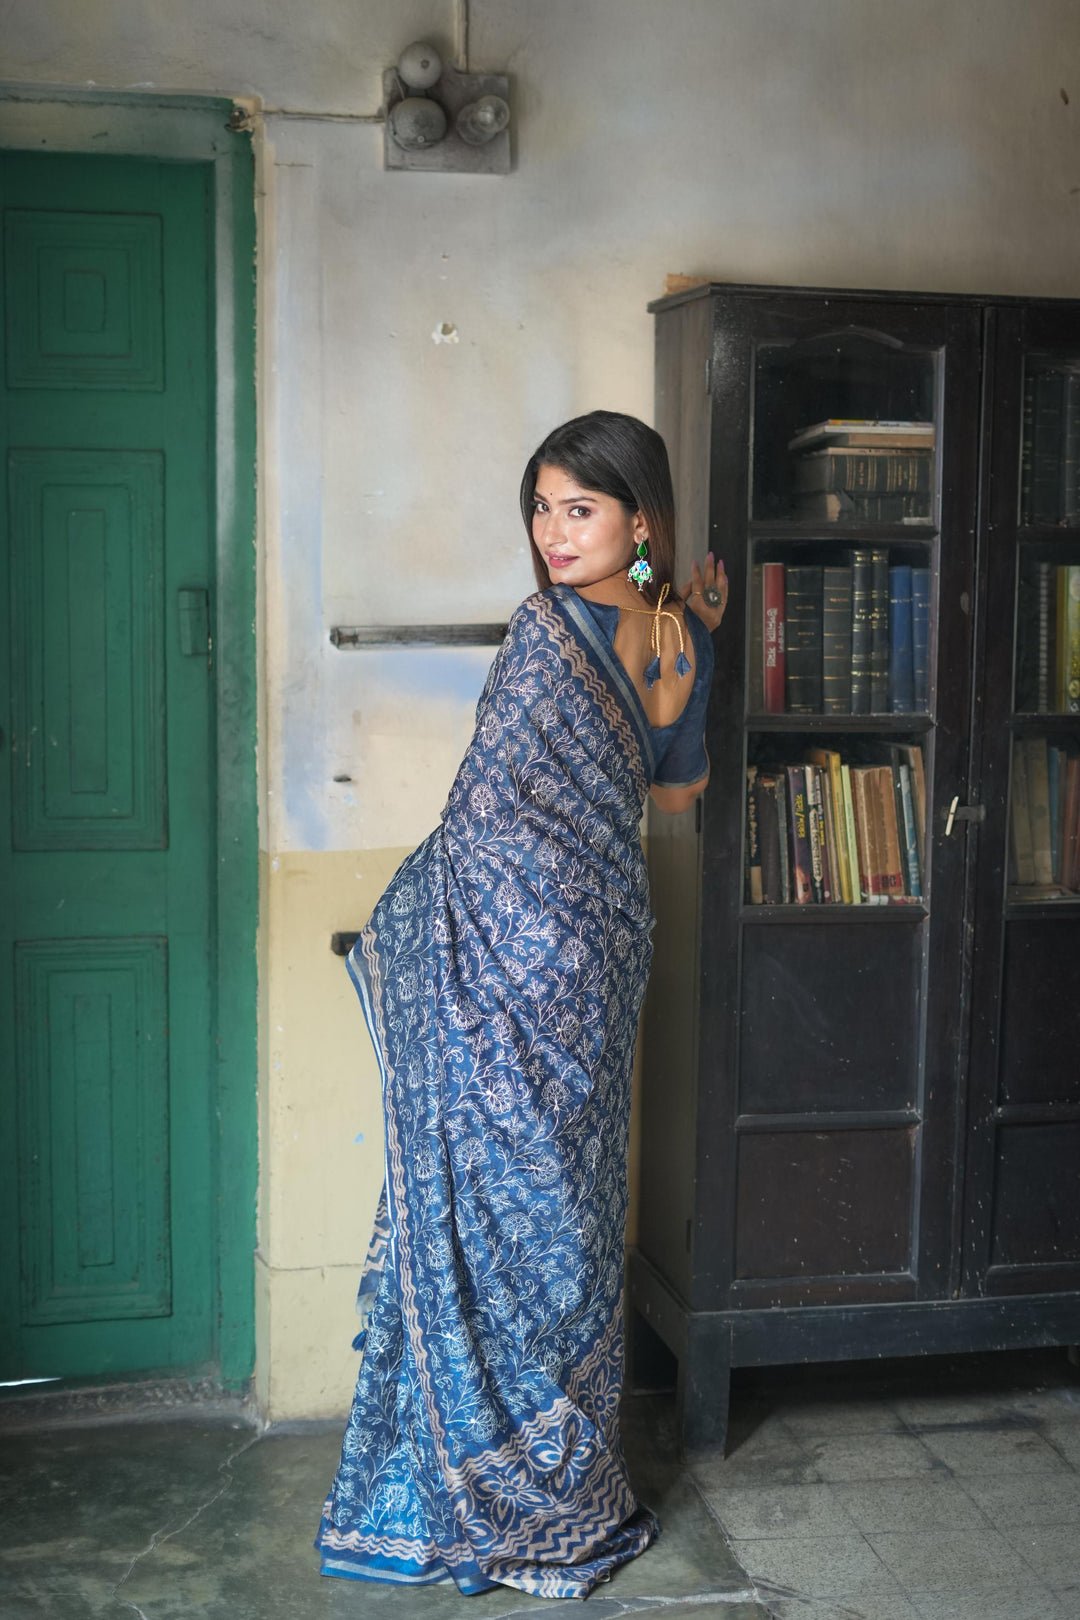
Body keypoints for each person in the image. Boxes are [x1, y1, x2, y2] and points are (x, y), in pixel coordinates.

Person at [314, 410, 727, 1598]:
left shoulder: (549, 631)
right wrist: (688, 616)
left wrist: (425, 912)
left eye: (580, 509)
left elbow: (490, 819)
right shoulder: (681, 643)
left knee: (499, 1215)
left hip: (508, 970)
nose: (553, 532)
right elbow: (681, 792)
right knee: (570, 1213)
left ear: (637, 517)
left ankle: (480, 1501)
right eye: (541, 508)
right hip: (599, 965)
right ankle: (568, 1489)